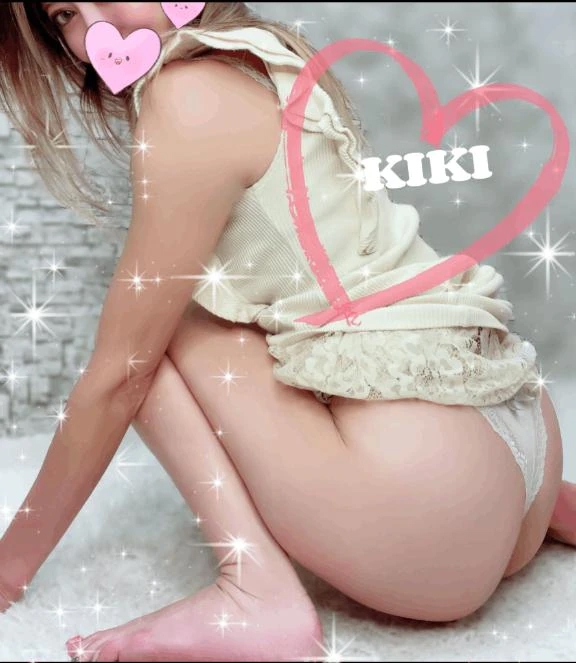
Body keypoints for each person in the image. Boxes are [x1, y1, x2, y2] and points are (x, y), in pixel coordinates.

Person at [0, 3, 574, 662]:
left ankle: (254, 590)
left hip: (433, 508)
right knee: (223, 312)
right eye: (65, 13)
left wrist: (8, 568)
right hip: (524, 436)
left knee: (150, 340)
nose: (99, 25)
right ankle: (529, 505)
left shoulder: (186, 96)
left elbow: (118, 378)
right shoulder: (264, 51)